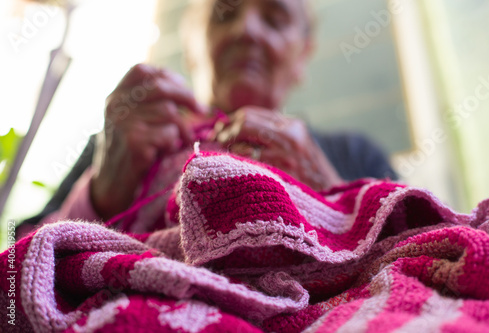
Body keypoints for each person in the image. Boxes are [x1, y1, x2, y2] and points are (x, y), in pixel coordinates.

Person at [17, 0, 396, 237]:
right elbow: (17, 276)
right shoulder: (122, 143)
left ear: (302, 57)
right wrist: (102, 194)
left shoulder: (354, 155)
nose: (246, 29)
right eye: (224, 13)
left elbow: (423, 251)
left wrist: (327, 188)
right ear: (194, 43)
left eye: (275, 18)